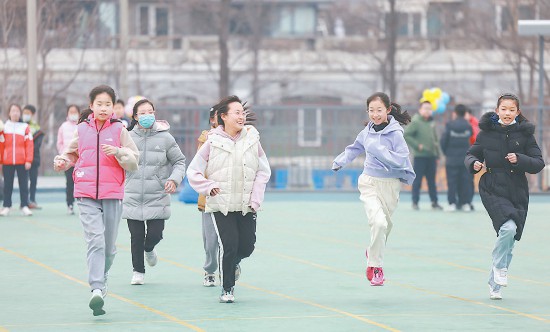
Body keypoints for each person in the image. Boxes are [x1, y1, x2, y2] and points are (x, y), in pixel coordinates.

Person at [54, 85, 139, 316]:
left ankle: (103, 276)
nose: (103, 108)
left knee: (109, 248)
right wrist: (63, 160)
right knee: (95, 241)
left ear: (114, 107)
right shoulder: (82, 129)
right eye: (99, 104)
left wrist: (119, 152)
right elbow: (71, 153)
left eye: (108, 104)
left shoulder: (120, 130)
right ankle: (96, 289)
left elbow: (134, 160)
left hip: (112, 193)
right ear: (91, 106)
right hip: (85, 192)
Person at [187, 95, 271, 303]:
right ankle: (227, 289)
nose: (241, 117)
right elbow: (194, 171)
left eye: (242, 113)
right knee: (229, 245)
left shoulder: (253, 139)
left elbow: (263, 171)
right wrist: (208, 187)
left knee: (247, 246)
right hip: (221, 204)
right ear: (223, 116)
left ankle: (233, 263)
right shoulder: (211, 142)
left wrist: (256, 198)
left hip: (247, 204)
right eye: (236, 113)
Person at [465, 93, 544, 300]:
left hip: (517, 189)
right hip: (492, 186)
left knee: (510, 237)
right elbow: (471, 154)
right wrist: (473, 163)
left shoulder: (525, 135)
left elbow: (538, 163)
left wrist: (520, 159)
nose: (507, 113)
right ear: (497, 110)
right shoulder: (486, 133)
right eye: (504, 109)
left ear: (517, 112)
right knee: (507, 228)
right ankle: (500, 268)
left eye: (511, 110)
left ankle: (495, 282)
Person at [333, 92, 415, 286]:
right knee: (378, 223)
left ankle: (372, 251)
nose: (375, 114)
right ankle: (376, 266)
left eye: (379, 110)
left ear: (388, 110)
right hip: (369, 182)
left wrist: (381, 152)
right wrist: (340, 161)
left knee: (385, 226)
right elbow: (354, 148)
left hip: (391, 185)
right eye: (371, 110)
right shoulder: (367, 132)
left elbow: (402, 159)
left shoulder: (396, 134)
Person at [122, 99, 186, 285]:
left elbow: (179, 162)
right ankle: (138, 271)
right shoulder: (126, 137)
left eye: (150, 112)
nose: (147, 116)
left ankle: (149, 249)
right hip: (132, 194)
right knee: (136, 236)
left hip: (157, 194)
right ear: (135, 116)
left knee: (155, 234)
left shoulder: (165, 138)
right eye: (142, 113)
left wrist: (173, 179)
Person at [196, 107, 220, 287]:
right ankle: (210, 270)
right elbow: (200, 168)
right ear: (213, 120)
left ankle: (232, 264)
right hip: (210, 199)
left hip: (234, 199)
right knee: (211, 241)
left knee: (234, 240)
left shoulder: (243, 138)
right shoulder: (205, 140)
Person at [404, 100, 443, 210]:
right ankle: (415, 202)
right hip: (420, 157)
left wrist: (438, 154)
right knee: (418, 180)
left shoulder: (431, 122)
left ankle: (434, 202)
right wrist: (418, 146)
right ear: (420, 109)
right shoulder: (416, 121)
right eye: (425, 108)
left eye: (430, 109)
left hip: (431, 156)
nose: (427, 111)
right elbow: (406, 135)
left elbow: (435, 139)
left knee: (432, 181)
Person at [0, 104, 34, 217]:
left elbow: (29, 144)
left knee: (24, 184)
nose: (15, 113)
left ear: (20, 113)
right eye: (13, 111)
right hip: (7, 161)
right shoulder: (4, 127)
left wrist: (28, 160)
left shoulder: (25, 127)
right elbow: (1, 145)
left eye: (17, 111)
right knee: (7, 185)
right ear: (9, 113)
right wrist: (1, 160)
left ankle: (24, 205)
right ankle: (6, 206)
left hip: (22, 161)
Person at [440, 104, 473, 212]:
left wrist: (447, 153)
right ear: (465, 113)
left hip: (451, 159)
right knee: (465, 181)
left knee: (452, 182)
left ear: (455, 113)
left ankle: (452, 203)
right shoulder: (468, 126)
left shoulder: (450, 125)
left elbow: (443, 141)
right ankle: (465, 203)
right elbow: (471, 137)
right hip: (465, 159)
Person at [57, 104, 80, 214]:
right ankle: (70, 204)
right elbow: (59, 142)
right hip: (68, 162)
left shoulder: (82, 125)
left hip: (80, 161)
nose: (73, 114)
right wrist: (64, 155)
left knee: (80, 183)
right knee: (69, 184)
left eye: (75, 112)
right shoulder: (63, 126)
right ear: (67, 113)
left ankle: (81, 204)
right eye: (71, 112)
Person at [22, 105, 45, 210]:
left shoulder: (37, 129)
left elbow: (37, 145)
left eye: (28, 113)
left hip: (34, 159)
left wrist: (30, 152)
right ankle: (24, 201)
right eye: (24, 112)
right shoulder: (20, 126)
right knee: (24, 180)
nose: (25, 115)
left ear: (32, 114)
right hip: (22, 158)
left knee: (33, 180)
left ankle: (32, 200)